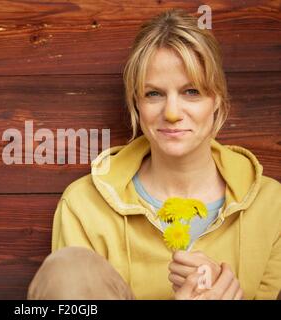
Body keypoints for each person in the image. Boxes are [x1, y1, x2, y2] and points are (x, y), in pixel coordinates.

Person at [27, 9, 281, 300]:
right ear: (137, 103)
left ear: (217, 100)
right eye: (154, 94)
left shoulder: (273, 206)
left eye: (191, 91)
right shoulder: (83, 205)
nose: (172, 113)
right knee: (68, 269)